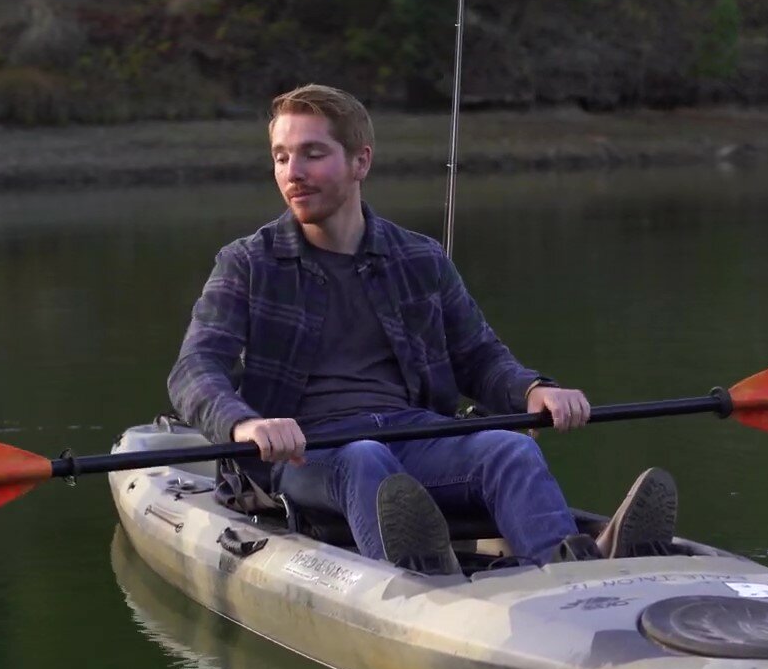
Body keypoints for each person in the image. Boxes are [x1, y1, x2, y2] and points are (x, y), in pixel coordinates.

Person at [168, 83, 675, 575]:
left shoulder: (420, 257)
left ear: (360, 161)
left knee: (510, 446)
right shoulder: (247, 263)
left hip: (417, 435)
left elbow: (478, 357)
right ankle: (422, 579)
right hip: (310, 455)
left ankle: (575, 568)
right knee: (365, 459)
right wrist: (246, 425)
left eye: (312, 154)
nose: (292, 173)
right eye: (281, 157)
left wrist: (533, 390)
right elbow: (195, 369)